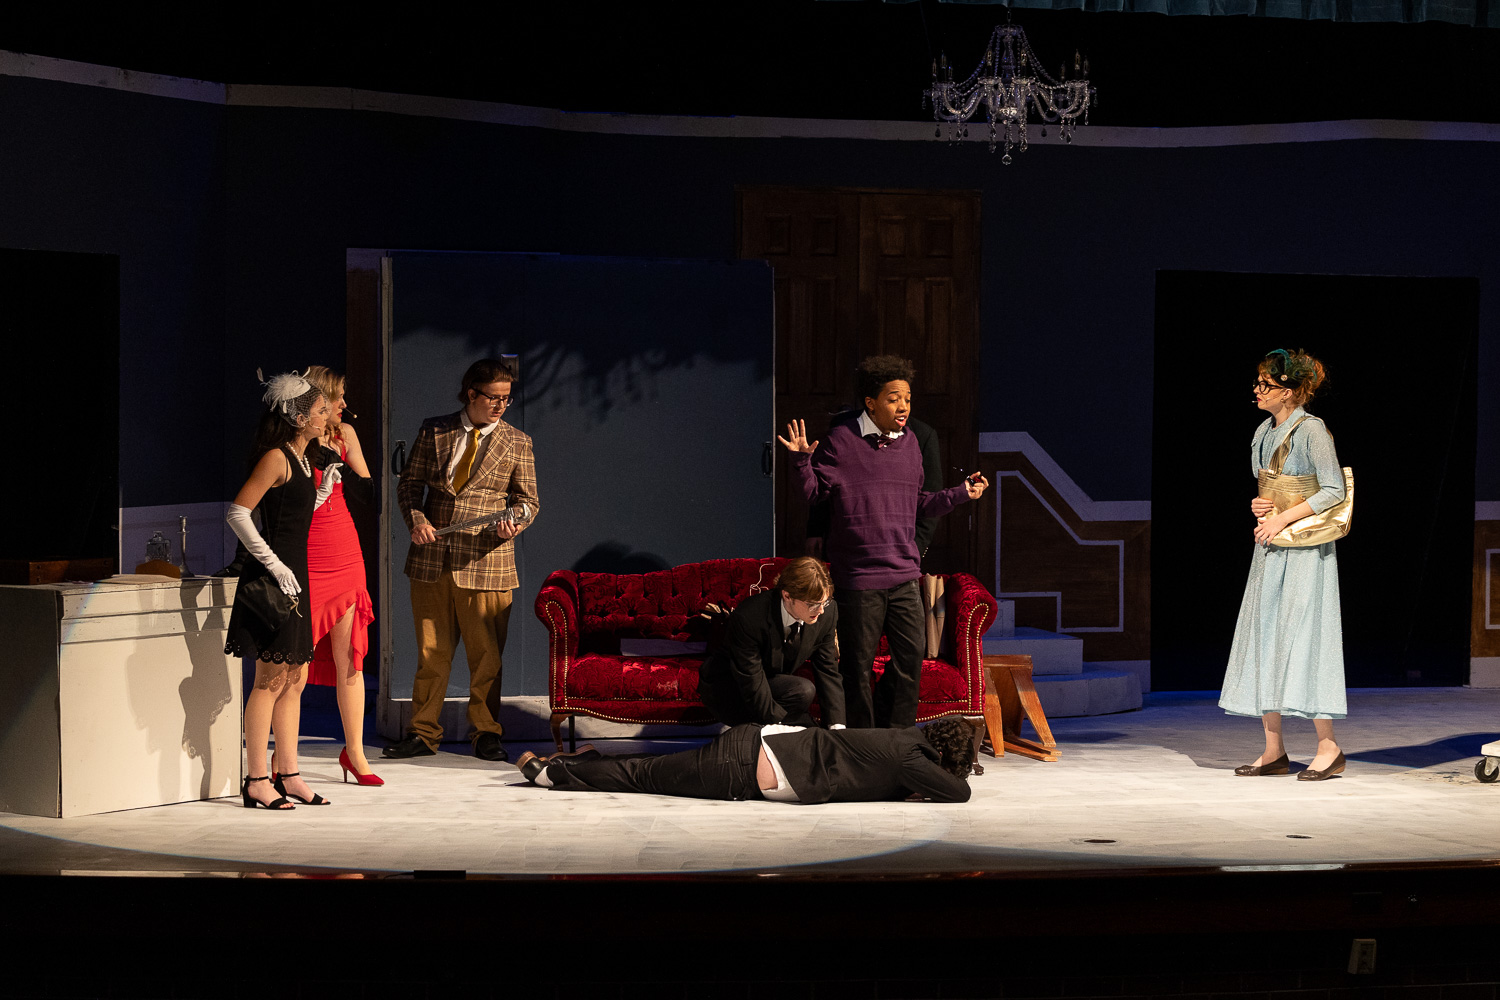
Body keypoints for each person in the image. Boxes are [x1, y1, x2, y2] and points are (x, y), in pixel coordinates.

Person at [779, 355, 988, 729]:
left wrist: (961, 493)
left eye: (907, 398)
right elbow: (814, 495)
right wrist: (800, 462)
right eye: (893, 399)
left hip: (904, 576)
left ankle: (897, 739)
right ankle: (863, 743)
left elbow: (919, 503)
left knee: (910, 661)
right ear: (871, 403)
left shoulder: (911, 444)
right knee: (857, 667)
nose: (903, 406)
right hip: (859, 579)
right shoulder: (841, 441)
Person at [384, 359, 540, 763]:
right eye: (494, 397)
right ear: (471, 393)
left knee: (487, 656)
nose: (501, 405)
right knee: (430, 653)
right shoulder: (435, 430)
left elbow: (529, 502)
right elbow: (410, 485)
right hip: (432, 557)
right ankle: (422, 732)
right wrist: (416, 519)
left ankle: (486, 732)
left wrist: (515, 524)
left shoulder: (517, 441)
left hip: (487, 559)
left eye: (507, 399)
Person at [1221, 348, 1348, 781]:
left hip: (1305, 548)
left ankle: (1328, 747)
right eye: (1259, 383)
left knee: (1306, 636)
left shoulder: (1312, 430)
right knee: (1266, 635)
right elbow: (1269, 486)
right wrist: (1260, 505)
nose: (1258, 390)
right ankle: (1273, 749)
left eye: (1267, 384)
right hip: (1270, 546)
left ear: (1290, 392)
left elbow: (1333, 489)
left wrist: (1282, 517)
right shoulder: (1263, 431)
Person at [224, 371, 332, 810]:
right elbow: (238, 512)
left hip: (296, 575)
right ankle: (256, 779)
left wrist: (322, 491)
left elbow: (289, 513)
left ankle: (288, 772)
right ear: (299, 417)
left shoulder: (304, 459)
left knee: (296, 678)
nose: (328, 415)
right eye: (321, 410)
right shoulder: (276, 456)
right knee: (269, 679)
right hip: (273, 576)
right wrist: (273, 564)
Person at [515, 717, 976, 804]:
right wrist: (933, 782)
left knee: (654, 771)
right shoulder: (911, 758)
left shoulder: (904, 738)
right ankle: (551, 774)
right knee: (644, 776)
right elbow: (959, 793)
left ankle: (584, 759)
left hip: (752, 748)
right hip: (739, 765)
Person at [301, 365, 381, 786]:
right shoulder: (293, 436)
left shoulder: (344, 434)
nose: (345, 404)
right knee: (293, 663)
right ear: (318, 398)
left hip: (344, 549)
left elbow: (370, 495)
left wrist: (340, 463)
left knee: (350, 658)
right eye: (339, 397)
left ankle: (355, 753)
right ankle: (282, 758)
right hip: (305, 550)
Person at [695, 556, 844, 728]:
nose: (821, 610)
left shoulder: (826, 612)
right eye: (813, 604)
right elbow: (751, 681)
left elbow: (828, 669)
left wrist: (837, 726)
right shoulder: (749, 616)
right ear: (787, 596)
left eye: (825, 602)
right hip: (731, 686)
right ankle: (744, 731)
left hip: (770, 680)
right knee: (799, 725)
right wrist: (778, 728)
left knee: (803, 691)